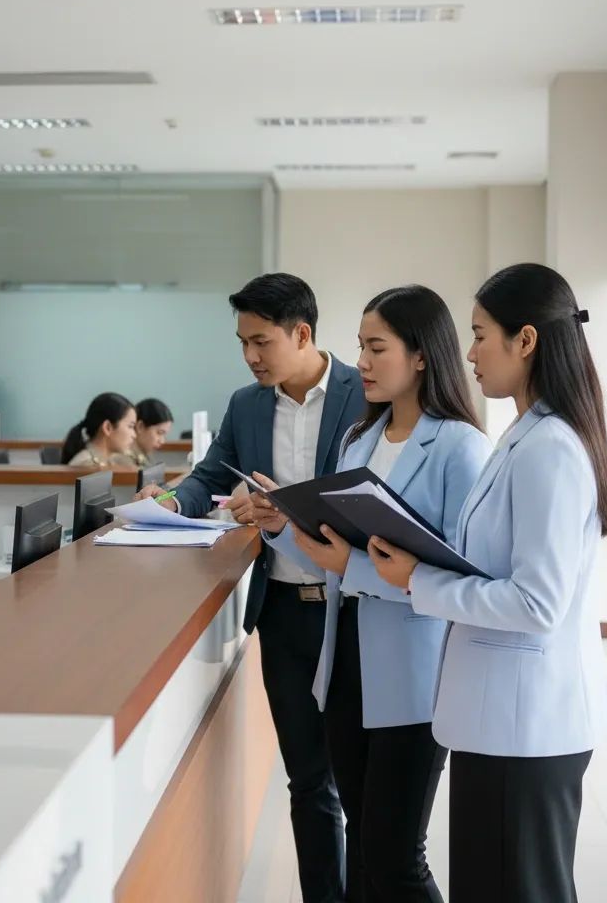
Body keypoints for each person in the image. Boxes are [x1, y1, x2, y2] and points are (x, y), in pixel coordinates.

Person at [369, 264, 607, 903]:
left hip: (525, 727)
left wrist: (419, 579)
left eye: (481, 335)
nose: (470, 352)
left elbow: (537, 602)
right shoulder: (525, 434)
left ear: (526, 340)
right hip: (499, 721)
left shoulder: (551, 449)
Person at [137, 272, 366, 903]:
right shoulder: (247, 404)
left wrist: (288, 512)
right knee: (307, 779)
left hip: (356, 611)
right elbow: (208, 474)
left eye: (261, 341)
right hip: (285, 613)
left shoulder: (362, 393)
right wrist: (164, 501)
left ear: (302, 333)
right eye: (243, 342)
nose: (251, 356)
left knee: (361, 780)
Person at [257, 286, 490, 902]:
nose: (360, 360)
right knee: (361, 846)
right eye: (360, 345)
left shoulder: (460, 447)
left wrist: (353, 567)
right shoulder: (359, 439)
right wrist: (281, 525)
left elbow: (459, 578)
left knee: (394, 856)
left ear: (420, 356)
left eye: (376, 346)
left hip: (415, 677)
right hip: (347, 664)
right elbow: (333, 551)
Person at [60, 392, 137, 466]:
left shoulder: (112, 461)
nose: (134, 435)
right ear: (107, 428)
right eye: (130, 426)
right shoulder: (86, 465)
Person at [125, 398, 174, 466]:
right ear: (140, 427)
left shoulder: (145, 455)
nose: (162, 441)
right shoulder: (124, 461)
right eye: (159, 433)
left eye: (164, 435)